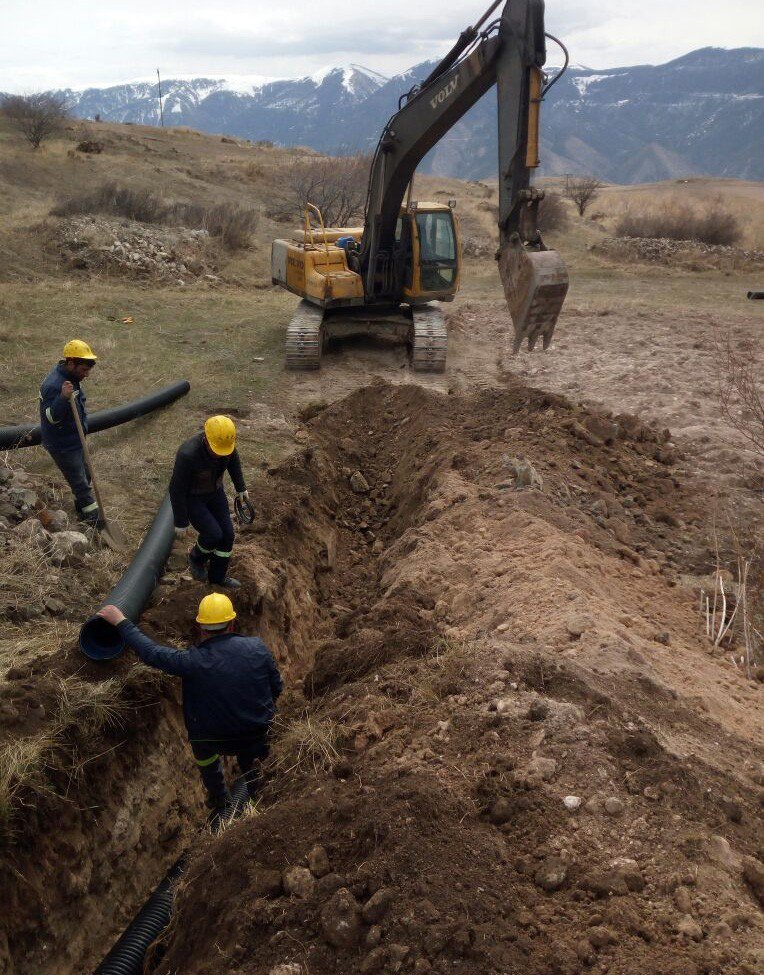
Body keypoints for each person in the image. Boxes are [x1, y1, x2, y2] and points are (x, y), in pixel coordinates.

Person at [97, 593, 283, 811]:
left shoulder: (192, 661)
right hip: (256, 732)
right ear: (233, 623)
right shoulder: (258, 647)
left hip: (212, 739)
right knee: (255, 770)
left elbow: (151, 653)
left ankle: (220, 799)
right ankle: (258, 799)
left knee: (204, 753)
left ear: (201, 628)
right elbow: (276, 687)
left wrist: (121, 621)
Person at [169, 415, 249, 589]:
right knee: (213, 534)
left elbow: (233, 462)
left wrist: (241, 487)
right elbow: (176, 489)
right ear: (206, 438)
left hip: (215, 492)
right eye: (216, 450)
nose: (220, 454)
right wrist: (181, 521)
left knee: (227, 534)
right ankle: (196, 558)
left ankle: (217, 578)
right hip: (193, 498)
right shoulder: (188, 454)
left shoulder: (226, 445)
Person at [39, 339, 102, 528]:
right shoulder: (53, 385)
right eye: (84, 370)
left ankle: (82, 509)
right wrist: (63, 398)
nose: (87, 374)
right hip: (62, 445)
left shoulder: (73, 378)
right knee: (80, 482)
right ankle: (95, 521)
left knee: (86, 474)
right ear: (71, 363)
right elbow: (51, 417)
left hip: (76, 439)